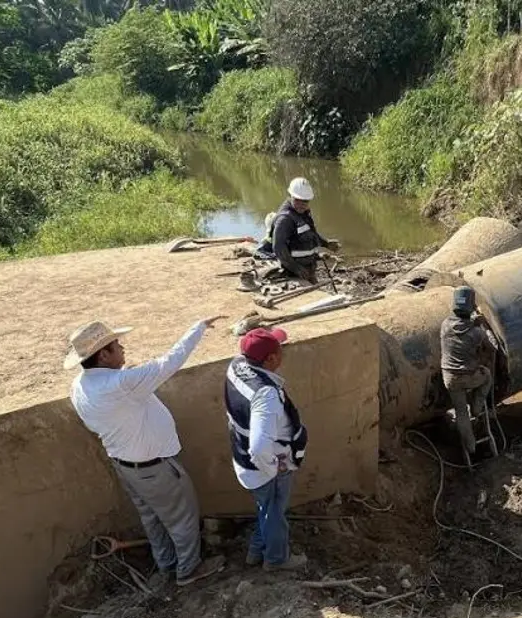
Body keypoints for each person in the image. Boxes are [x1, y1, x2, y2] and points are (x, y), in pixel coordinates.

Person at [66, 318, 227, 587]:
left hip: (126, 467)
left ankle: (165, 565)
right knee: (182, 518)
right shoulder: (121, 384)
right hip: (154, 469)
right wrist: (196, 328)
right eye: (116, 345)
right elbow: (169, 362)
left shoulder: (80, 386)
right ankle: (188, 570)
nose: (123, 348)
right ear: (103, 355)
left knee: (151, 518)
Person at [223, 327, 308, 572]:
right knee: (274, 515)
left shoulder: (236, 366)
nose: (283, 352)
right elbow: (259, 447)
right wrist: (274, 468)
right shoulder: (266, 395)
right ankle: (276, 560)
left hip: (245, 462)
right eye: (280, 349)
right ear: (271, 359)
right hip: (266, 468)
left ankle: (255, 552)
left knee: (266, 508)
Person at [440, 286, 497, 458]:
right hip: (469, 377)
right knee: (487, 376)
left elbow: (459, 327)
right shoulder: (476, 333)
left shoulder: (445, 325)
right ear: (472, 307)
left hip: (449, 377)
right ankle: (478, 407)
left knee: (460, 411)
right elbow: (493, 347)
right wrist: (484, 325)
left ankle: (471, 447)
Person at [258, 177, 340, 283]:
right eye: (297, 200)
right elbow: (279, 247)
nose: (301, 204)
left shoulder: (303, 212)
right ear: (291, 196)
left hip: (308, 267)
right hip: (293, 272)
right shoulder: (285, 219)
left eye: (305, 201)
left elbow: (310, 233)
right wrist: (295, 268)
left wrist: (326, 243)